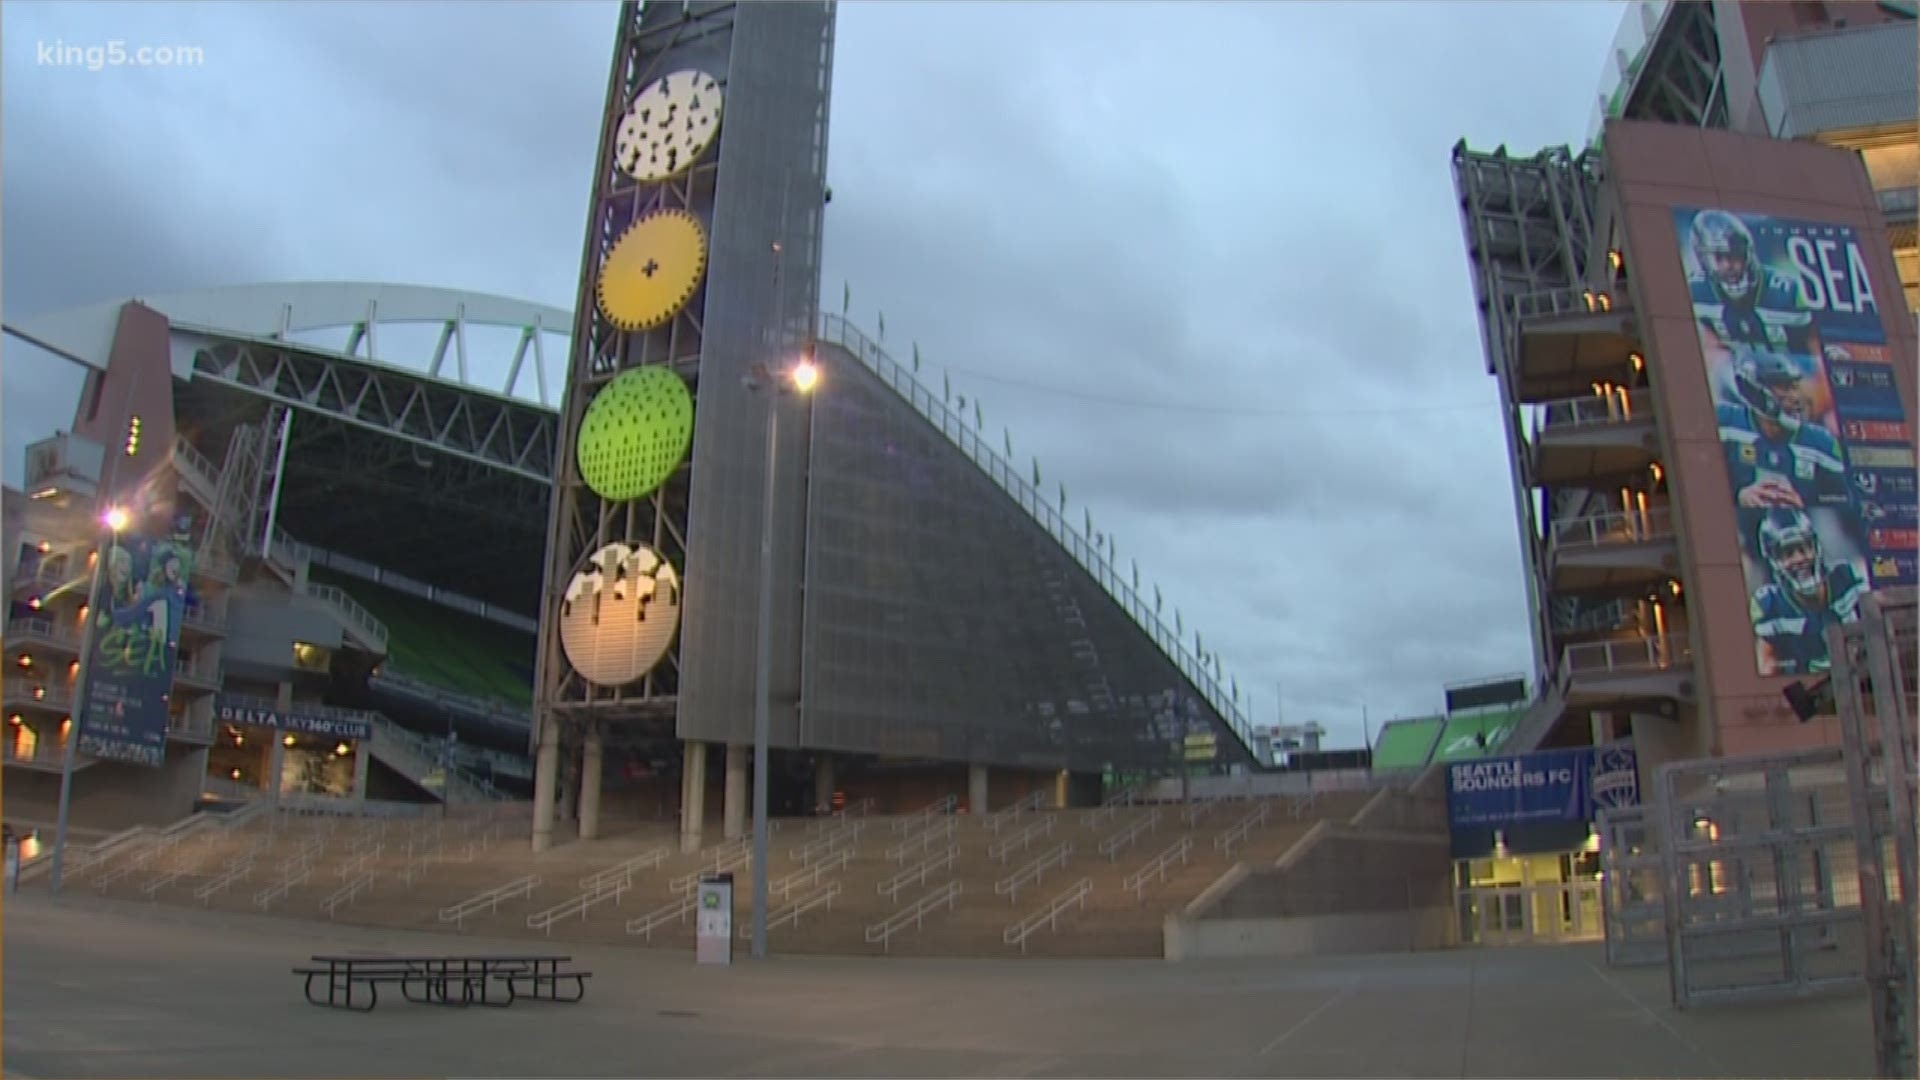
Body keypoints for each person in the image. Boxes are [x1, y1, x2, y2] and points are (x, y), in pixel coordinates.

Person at [1716, 347, 1852, 536]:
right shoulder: (1725, 422)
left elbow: (1849, 502)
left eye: (1794, 386)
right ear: (1753, 389)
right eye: (1783, 387)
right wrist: (1739, 495)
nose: (1795, 397)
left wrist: (1805, 503)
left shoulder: (1820, 441)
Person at [1747, 508, 1866, 676]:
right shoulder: (1771, 604)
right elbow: (1767, 666)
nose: (1799, 559)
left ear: (1816, 547)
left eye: (1804, 548)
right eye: (1788, 553)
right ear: (1774, 561)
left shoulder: (1847, 578)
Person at [1687, 210, 1817, 356]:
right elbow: (1708, 352)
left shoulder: (1788, 292)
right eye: (1718, 258)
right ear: (1703, 259)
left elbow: (1817, 349)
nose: (1727, 266)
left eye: (1733, 256)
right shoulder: (1695, 292)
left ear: (1747, 254)